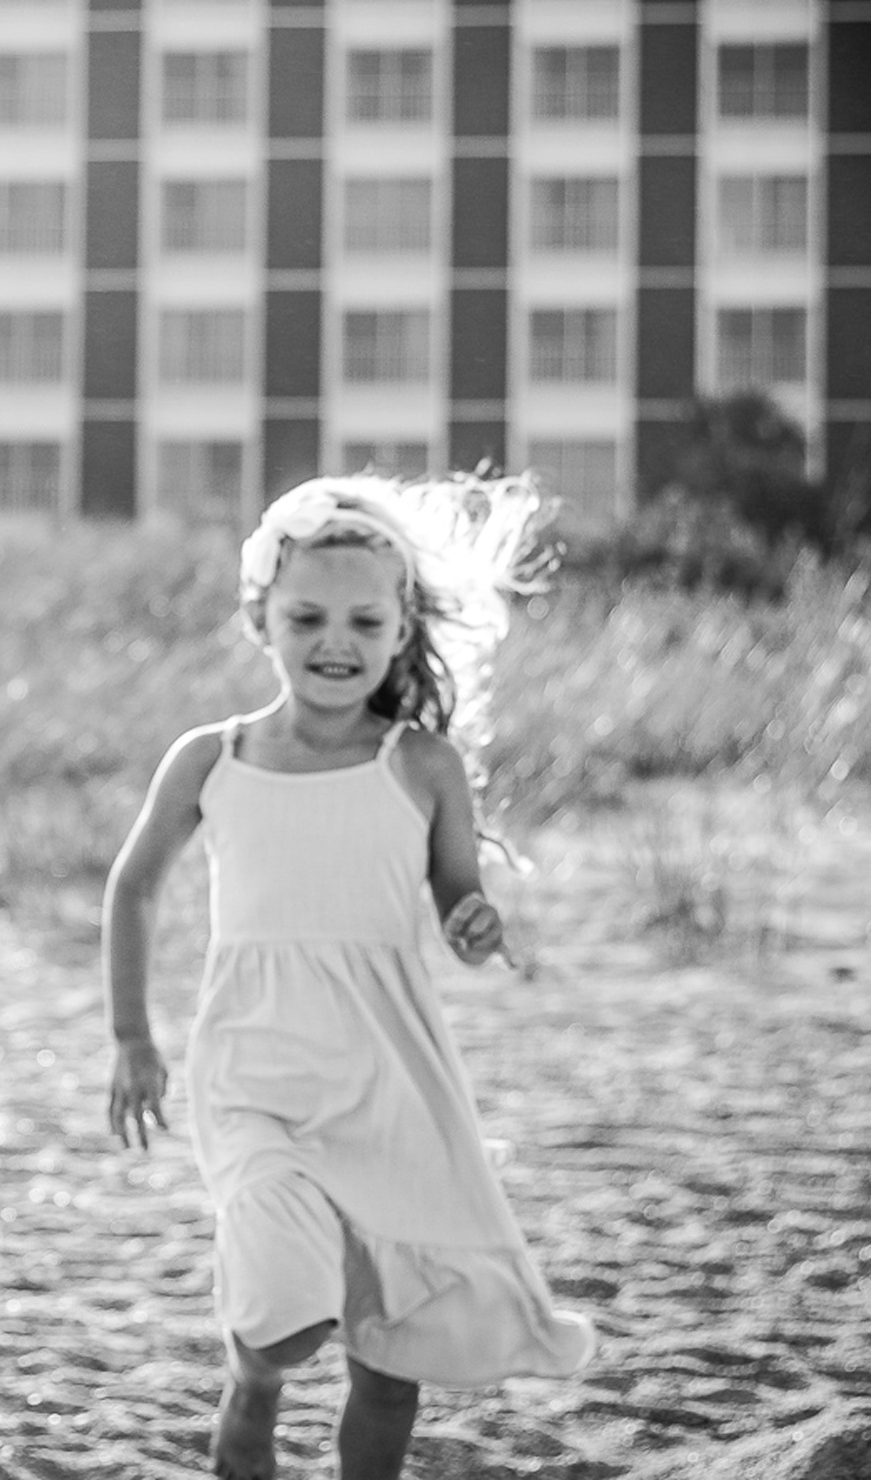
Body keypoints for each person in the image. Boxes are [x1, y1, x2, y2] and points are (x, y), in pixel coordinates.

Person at [100, 473, 593, 1480]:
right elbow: (132, 888)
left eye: (364, 618)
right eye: (306, 616)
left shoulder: (421, 764)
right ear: (259, 619)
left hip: (389, 1077)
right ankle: (253, 1388)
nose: (336, 640)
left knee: (389, 1348)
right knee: (281, 1310)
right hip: (253, 1067)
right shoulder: (211, 757)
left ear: (400, 623)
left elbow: (457, 901)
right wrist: (130, 1038)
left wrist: (476, 920)